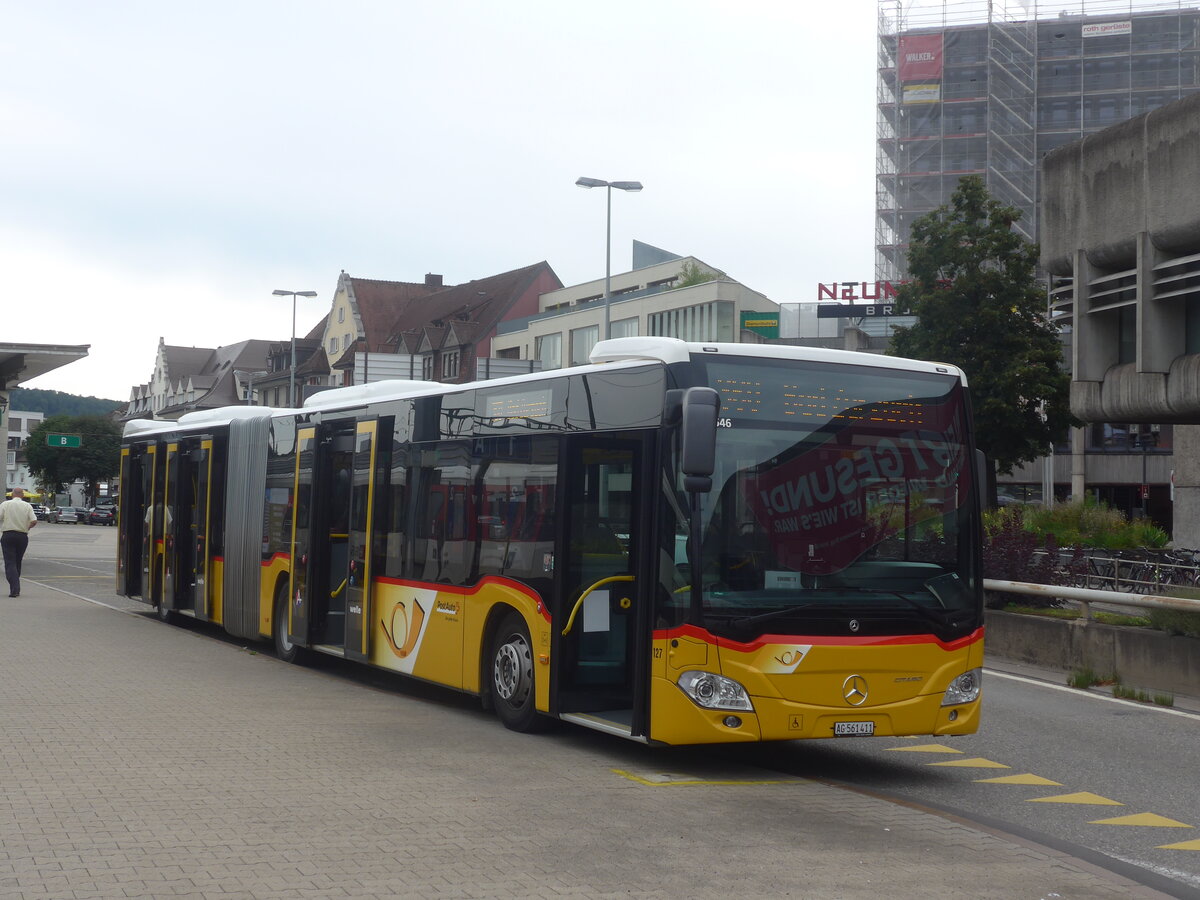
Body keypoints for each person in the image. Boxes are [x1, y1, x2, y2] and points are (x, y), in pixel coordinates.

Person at [1, 487, 38, 597]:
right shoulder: (27, 506)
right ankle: (15, 586)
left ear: (12, 494)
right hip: (22, 536)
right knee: (17, 561)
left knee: (9, 562)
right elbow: (34, 521)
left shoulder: (5, 504)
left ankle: (14, 587)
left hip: (8, 535)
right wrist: (27, 528)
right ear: (22, 495)